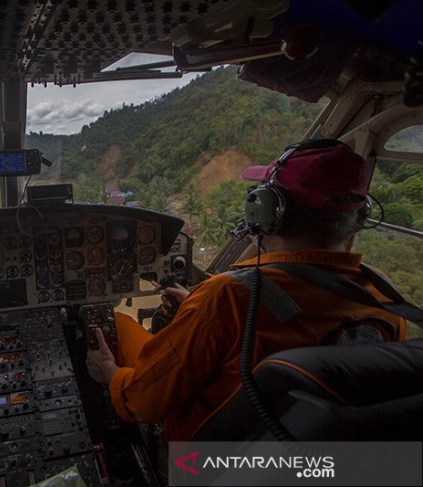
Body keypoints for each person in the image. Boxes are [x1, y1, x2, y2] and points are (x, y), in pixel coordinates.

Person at [86, 139, 406, 442]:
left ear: (266, 210)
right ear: (359, 216)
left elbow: (144, 403)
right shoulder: (382, 294)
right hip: (303, 455)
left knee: (120, 323)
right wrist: (197, 308)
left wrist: (109, 373)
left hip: (204, 460)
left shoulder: (228, 296)